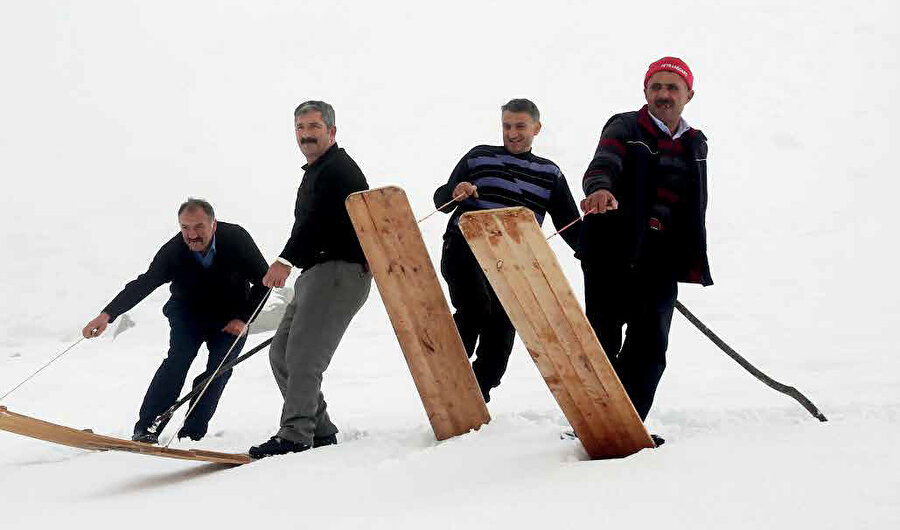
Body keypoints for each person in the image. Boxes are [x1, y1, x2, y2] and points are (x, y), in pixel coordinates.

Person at [579, 57, 713, 422]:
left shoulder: (696, 144)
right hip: (612, 249)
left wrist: (689, 257)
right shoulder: (625, 126)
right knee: (603, 340)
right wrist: (600, 189)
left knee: (650, 345)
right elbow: (604, 162)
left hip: (661, 257)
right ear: (645, 92)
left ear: (689, 95)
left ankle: (627, 424)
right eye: (656, 87)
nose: (664, 94)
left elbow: (694, 204)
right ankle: (593, 423)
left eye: (672, 87)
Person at [82, 198, 269, 443]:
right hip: (188, 314)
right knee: (177, 361)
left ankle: (191, 433)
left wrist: (243, 318)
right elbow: (145, 282)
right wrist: (107, 314)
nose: (192, 235)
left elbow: (264, 280)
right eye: (185, 228)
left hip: (231, 318)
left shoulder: (236, 239)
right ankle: (147, 428)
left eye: (199, 227)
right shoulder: (174, 250)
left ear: (213, 224)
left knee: (219, 369)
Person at [433, 98, 581, 403]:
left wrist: (605, 256)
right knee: (476, 307)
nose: (512, 133)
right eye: (507, 126)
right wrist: (455, 191)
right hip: (465, 247)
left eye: (520, 126)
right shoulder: (479, 157)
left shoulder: (549, 173)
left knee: (502, 329)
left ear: (536, 128)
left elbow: (571, 226)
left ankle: (478, 393)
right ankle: (448, 372)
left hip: (512, 261)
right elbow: (441, 200)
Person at [249, 100, 372, 458]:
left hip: (339, 271)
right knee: (281, 353)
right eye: (300, 128)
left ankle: (295, 434)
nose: (306, 135)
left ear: (331, 131)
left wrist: (285, 259)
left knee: (303, 357)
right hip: (315, 273)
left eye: (314, 127)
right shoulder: (317, 171)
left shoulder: (337, 170)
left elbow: (317, 223)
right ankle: (320, 429)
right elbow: (306, 224)